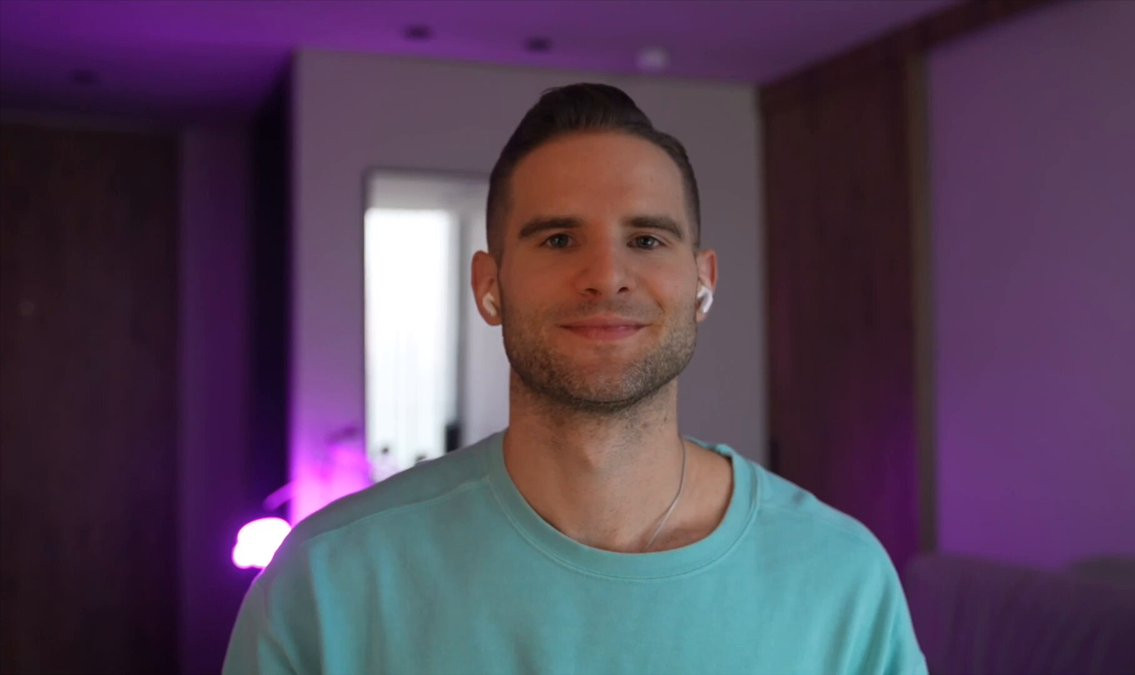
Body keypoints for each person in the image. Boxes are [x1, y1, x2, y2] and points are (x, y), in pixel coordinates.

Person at [223, 82, 927, 675]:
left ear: (702, 284)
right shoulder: (329, 584)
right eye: (559, 239)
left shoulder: (840, 580)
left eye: (646, 239)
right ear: (490, 286)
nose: (607, 276)